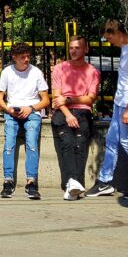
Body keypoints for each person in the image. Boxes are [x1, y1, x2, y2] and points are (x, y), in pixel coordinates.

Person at [86, 20, 128, 201]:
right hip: (121, 103)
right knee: (112, 140)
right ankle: (104, 181)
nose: (109, 42)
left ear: (117, 33)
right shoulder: (126, 48)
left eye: (109, 38)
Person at [0, 42, 50, 200]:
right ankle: (8, 180)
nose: (26, 59)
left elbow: (46, 100)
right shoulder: (7, 72)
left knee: (31, 143)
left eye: (28, 56)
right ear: (14, 57)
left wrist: (31, 108)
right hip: (12, 111)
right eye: (22, 57)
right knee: (9, 144)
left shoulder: (36, 72)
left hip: (32, 111)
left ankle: (31, 182)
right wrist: (8, 109)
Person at [51, 35, 100, 200]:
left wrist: (70, 100)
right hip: (62, 112)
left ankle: (72, 185)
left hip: (83, 112)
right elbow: (57, 98)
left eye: (77, 48)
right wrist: (68, 114)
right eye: (71, 48)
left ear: (86, 49)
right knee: (67, 143)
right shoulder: (60, 68)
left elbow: (90, 98)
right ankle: (74, 184)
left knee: (80, 144)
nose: (73, 51)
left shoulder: (92, 71)